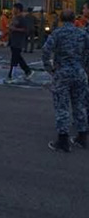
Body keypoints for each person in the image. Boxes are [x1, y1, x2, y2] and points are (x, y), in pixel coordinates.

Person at [41, 10, 88, 152]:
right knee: (80, 105)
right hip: (79, 73)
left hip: (62, 73)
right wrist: (85, 66)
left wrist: (49, 68)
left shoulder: (57, 33)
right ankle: (82, 138)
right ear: (74, 19)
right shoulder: (82, 33)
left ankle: (63, 141)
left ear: (61, 19)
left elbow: (45, 51)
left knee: (62, 106)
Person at [6, 3, 34, 83]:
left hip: (18, 41)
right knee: (18, 58)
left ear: (18, 9)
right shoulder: (14, 18)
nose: (13, 10)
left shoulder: (22, 19)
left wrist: (15, 29)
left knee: (14, 59)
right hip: (13, 41)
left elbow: (25, 30)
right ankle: (28, 71)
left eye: (14, 8)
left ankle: (11, 76)